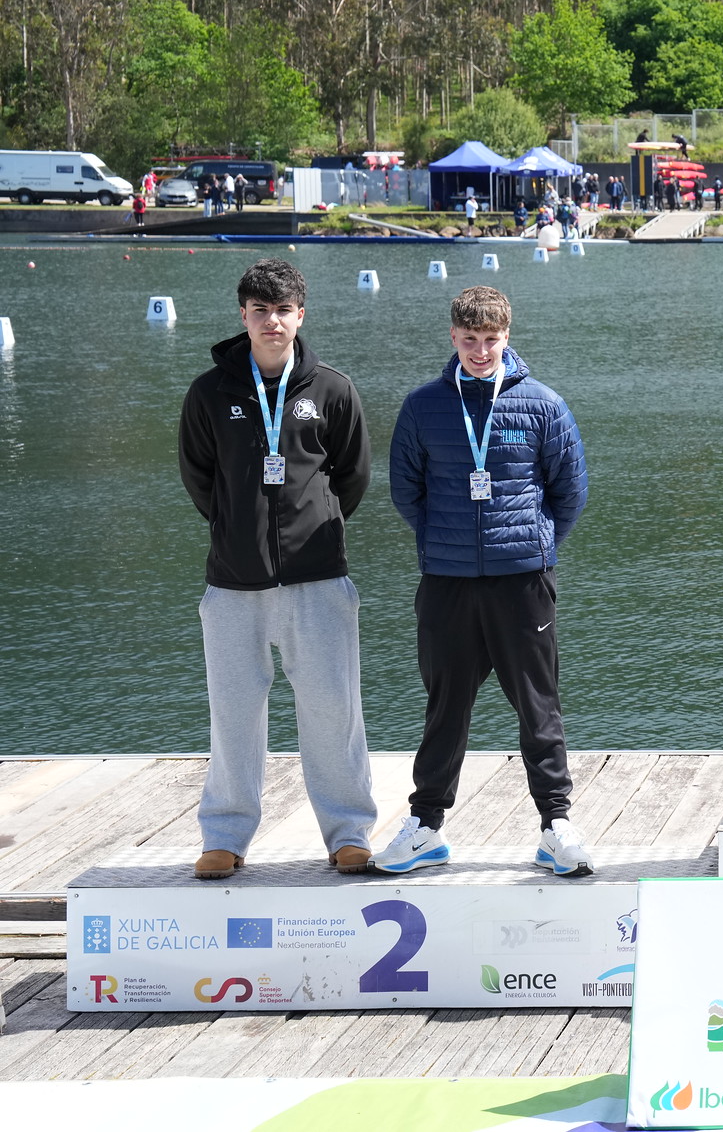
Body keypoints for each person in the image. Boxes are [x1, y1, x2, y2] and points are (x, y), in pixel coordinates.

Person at [377, 286, 592, 876]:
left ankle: (555, 827)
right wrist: (444, 542)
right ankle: (426, 828)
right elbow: (406, 490)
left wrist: (533, 543)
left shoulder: (543, 405)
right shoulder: (423, 407)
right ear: (453, 336)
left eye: (490, 340)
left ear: (507, 336)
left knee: (538, 707)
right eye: (469, 339)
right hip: (446, 581)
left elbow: (570, 491)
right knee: (444, 708)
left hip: (521, 582)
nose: (479, 351)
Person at [177, 260, 378, 880]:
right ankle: (225, 836)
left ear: (300, 315)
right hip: (233, 583)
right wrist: (237, 529)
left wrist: (311, 528)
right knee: (233, 714)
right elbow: (198, 477)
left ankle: (348, 834)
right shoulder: (210, 392)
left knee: (333, 712)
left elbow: (352, 476)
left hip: (318, 580)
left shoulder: (333, 390)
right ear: (243, 316)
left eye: (283, 310)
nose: (272, 322)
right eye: (260, 311)